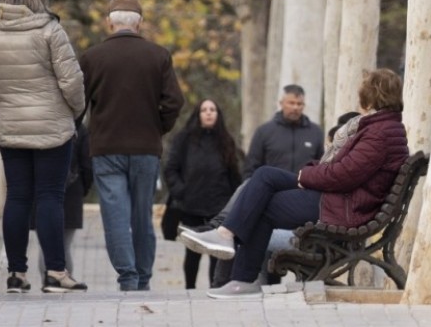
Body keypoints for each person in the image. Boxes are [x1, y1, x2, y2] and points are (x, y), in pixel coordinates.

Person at [203, 68, 410, 298]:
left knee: (264, 204)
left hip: (345, 206)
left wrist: (305, 177)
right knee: (264, 175)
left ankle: (240, 272)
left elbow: (343, 174)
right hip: (344, 199)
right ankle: (225, 236)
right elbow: (345, 169)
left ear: (372, 95)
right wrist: (310, 173)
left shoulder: (379, 132)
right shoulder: (385, 128)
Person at [0, 0, 88, 293]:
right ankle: (55, 272)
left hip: (11, 126)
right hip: (52, 126)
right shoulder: (50, 30)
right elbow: (72, 82)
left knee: (18, 196)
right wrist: (73, 109)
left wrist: (8, 102)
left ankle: (16, 274)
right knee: (50, 197)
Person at [79, 0, 184, 291]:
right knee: (142, 215)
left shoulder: (92, 57)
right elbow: (175, 101)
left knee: (115, 216)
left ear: (109, 22)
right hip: (145, 149)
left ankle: (127, 278)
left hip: (106, 149)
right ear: (140, 23)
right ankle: (144, 277)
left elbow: (77, 104)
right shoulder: (159, 55)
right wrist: (157, 128)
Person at [180, 85, 325, 285]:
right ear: (281, 103)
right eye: (291, 103)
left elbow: (320, 168)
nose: (295, 107)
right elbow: (251, 167)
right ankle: (221, 271)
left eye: (300, 104)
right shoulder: (265, 132)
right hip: (267, 193)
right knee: (251, 185)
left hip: (299, 202)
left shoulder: (315, 133)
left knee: (246, 220)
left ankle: (220, 229)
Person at [163, 99, 241, 289]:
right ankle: (189, 289)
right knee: (192, 252)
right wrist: (182, 191)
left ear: (218, 115)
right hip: (191, 207)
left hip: (218, 207)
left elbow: (234, 175)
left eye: (212, 109)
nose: (208, 113)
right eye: (204, 110)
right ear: (198, 114)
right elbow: (171, 169)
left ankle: (215, 287)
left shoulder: (226, 141)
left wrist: (233, 202)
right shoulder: (184, 139)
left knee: (216, 251)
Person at [34, 122, 93, 282]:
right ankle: (63, 279)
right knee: (65, 244)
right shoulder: (78, 127)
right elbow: (87, 165)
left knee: (44, 245)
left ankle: (46, 280)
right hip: (72, 192)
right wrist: (83, 188)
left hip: (41, 192)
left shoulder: (36, 127)